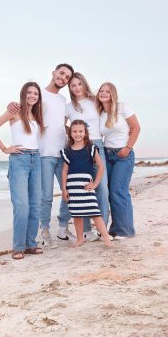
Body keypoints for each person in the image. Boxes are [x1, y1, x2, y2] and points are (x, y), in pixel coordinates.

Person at [7, 64, 75, 246]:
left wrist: (71, 131)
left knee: (71, 192)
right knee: (45, 196)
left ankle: (62, 226)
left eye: (67, 77)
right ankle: (44, 230)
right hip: (44, 153)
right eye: (61, 73)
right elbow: (22, 108)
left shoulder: (62, 100)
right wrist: (11, 105)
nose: (63, 78)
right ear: (53, 73)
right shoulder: (38, 94)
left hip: (63, 152)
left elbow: (60, 123)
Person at [0, 82, 45, 259]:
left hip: (37, 159)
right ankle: (18, 247)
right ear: (23, 94)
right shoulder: (14, 111)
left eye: (35, 93)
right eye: (29, 93)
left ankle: (30, 244)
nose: (32, 96)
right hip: (19, 160)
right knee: (22, 205)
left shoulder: (37, 115)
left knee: (35, 205)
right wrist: (4, 148)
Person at [65, 72, 109, 242]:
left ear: (84, 84)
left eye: (79, 84)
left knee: (102, 188)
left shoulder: (95, 101)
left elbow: (111, 110)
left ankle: (102, 228)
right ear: (69, 88)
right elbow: (61, 124)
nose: (77, 88)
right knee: (82, 189)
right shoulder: (68, 107)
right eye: (73, 85)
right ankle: (86, 231)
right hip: (78, 148)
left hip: (96, 143)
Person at [96, 82, 141, 239]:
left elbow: (136, 128)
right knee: (109, 192)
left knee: (118, 191)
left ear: (112, 94)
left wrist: (128, 147)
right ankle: (115, 229)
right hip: (107, 155)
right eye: (101, 91)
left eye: (107, 91)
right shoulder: (100, 112)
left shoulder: (123, 108)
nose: (103, 93)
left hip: (123, 154)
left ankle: (126, 231)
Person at [61, 120, 111, 248]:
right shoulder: (67, 151)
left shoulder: (91, 148)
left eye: (80, 131)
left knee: (95, 212)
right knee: (77, 214)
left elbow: (100, 167)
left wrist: (95, 184)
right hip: (72, 187)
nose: (77, 134)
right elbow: (64, 171)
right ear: (70, 133)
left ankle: (106, 238)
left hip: (86, 186)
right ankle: (79, 239)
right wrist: (64, 190)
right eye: (75, 131)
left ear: (85, 133)